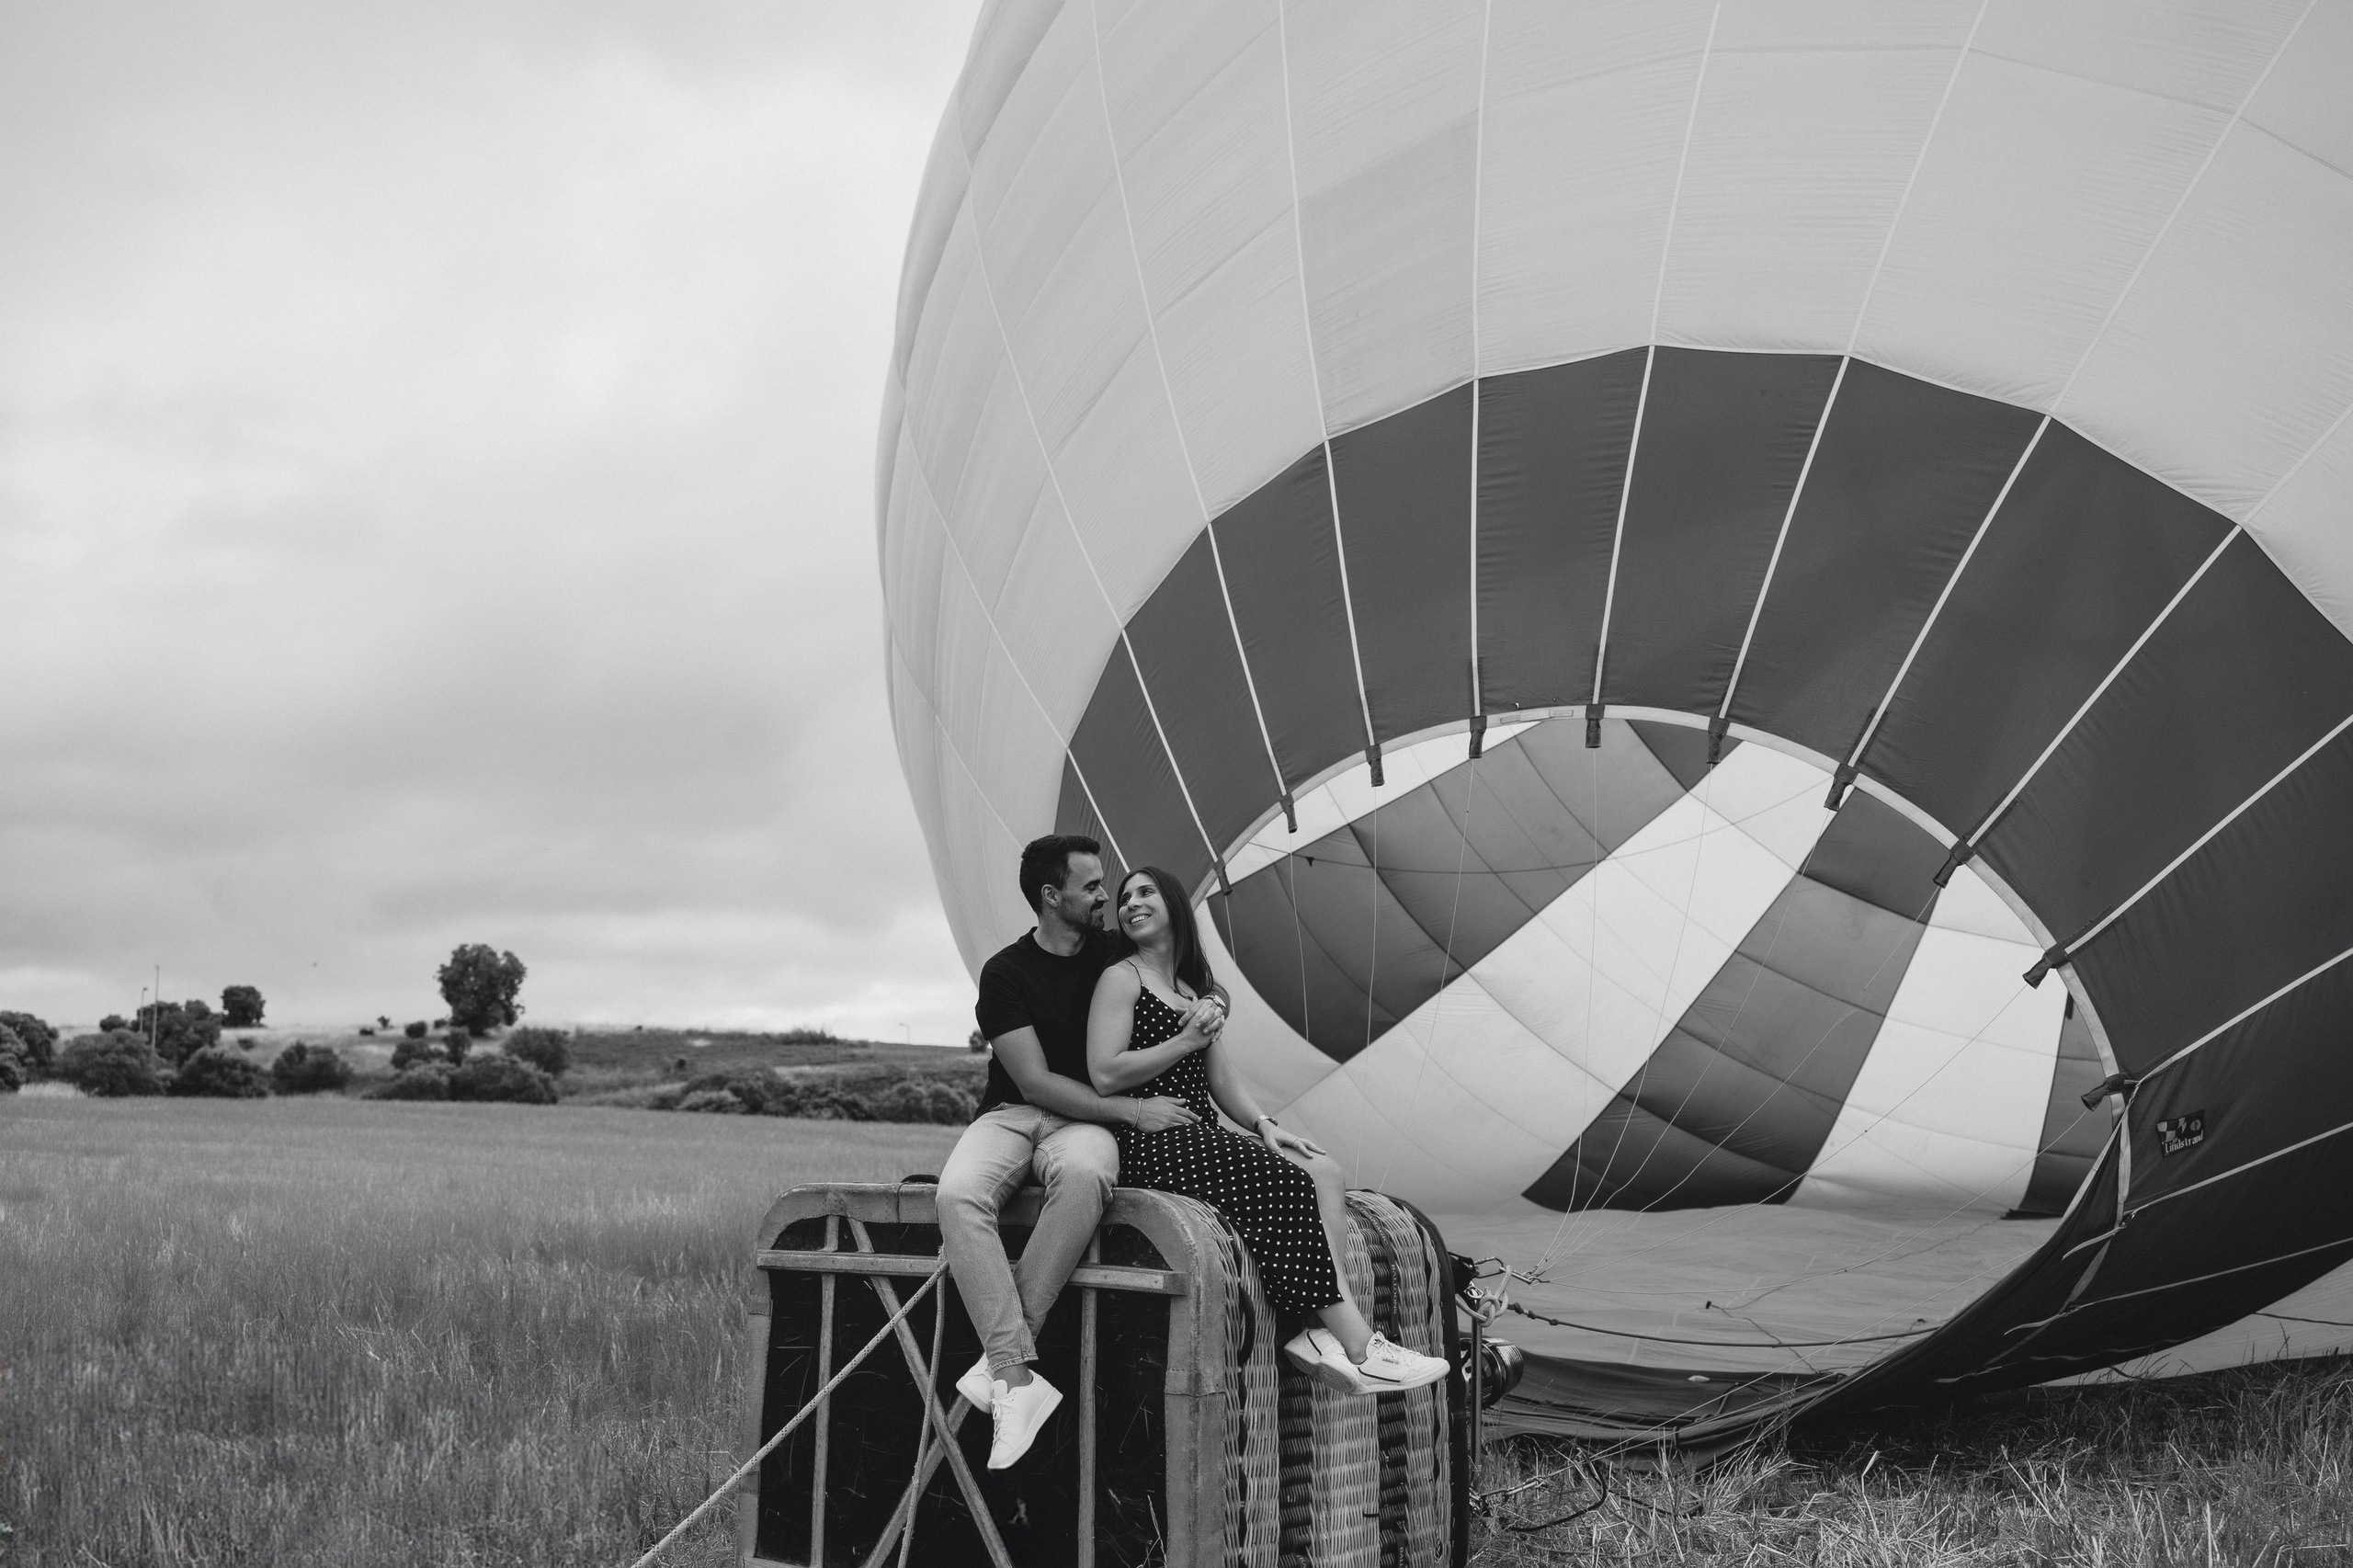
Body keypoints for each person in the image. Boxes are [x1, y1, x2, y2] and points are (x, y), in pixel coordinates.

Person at [1086, 865, 1451, 1394]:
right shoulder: (1122, 978)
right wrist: (1184, 1042)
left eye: (1145, 893)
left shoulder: (1193, 989)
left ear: (1173, 906)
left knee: (1322, 1170)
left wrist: (1265, 1125)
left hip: (1198, 1132)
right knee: (1282, 1183)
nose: (1130, 903)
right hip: (1149, 1135)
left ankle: (1316, 1332)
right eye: (1124, 898)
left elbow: (1221, 1079)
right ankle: (1361, 1346)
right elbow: (1103, 1072)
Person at [937, 835, 1222, 1469]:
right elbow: (1034, 1082)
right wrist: (1132, 1110)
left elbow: (1185, 975)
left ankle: (1002, 1369)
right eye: (1091, 886)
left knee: (1089, 1176)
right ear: (1051, 896)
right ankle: (1015, 1376)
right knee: (956, 1194)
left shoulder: (1113, 956)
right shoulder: (1005, 973)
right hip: (1014, 1113)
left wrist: (1215, 1005)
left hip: (1080, 1127)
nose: (1104, 897)